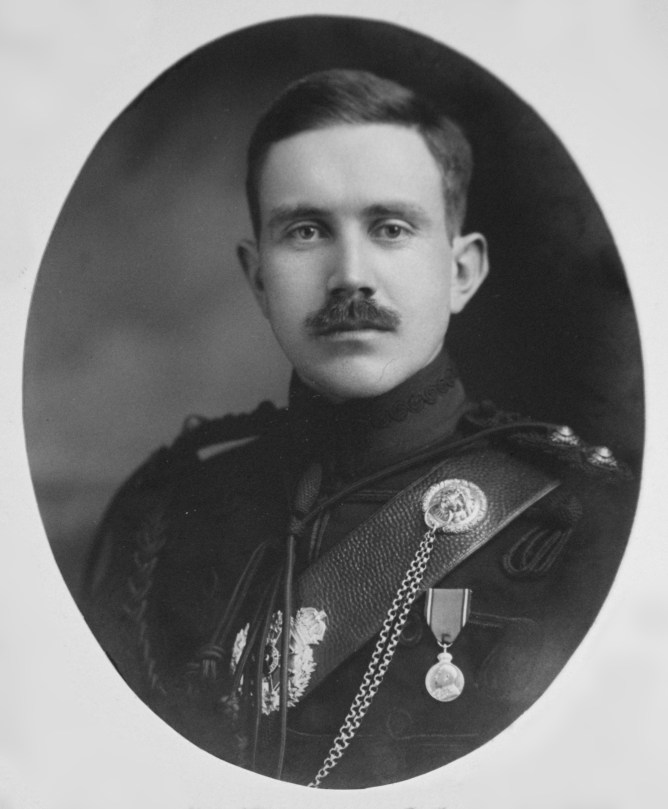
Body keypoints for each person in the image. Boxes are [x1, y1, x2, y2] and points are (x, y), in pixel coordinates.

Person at [83, 69, 635, 789]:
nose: (350, 275)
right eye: (306, 230)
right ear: (259, 278)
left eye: (391, 228)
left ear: (462, 271)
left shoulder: (593, 525)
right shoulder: (159, 522)